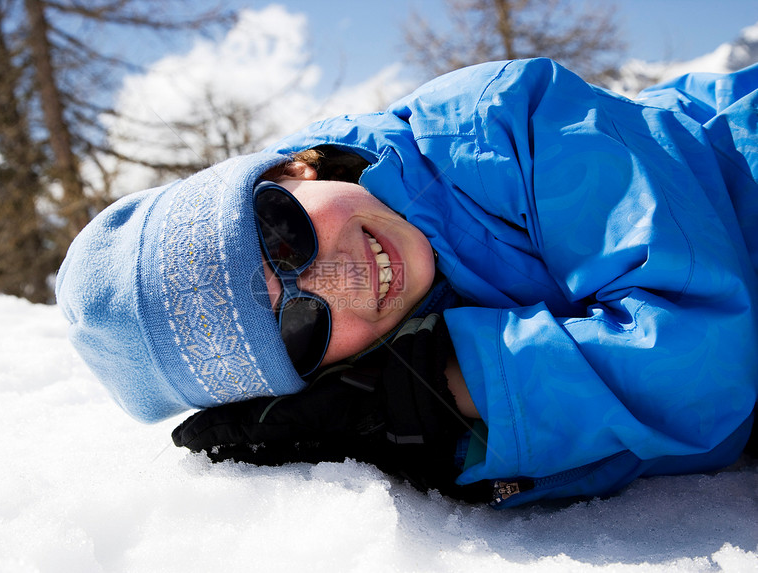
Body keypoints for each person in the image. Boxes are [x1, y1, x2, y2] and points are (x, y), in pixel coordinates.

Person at [56, 58, 758, 507]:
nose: (333, 278)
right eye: (300, 326)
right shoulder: (393, 349)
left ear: (291, 170)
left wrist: (455, 384)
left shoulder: (499, 125)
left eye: (281, 237)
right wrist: (423, 441)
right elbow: (644, 452)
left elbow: (711, 359)